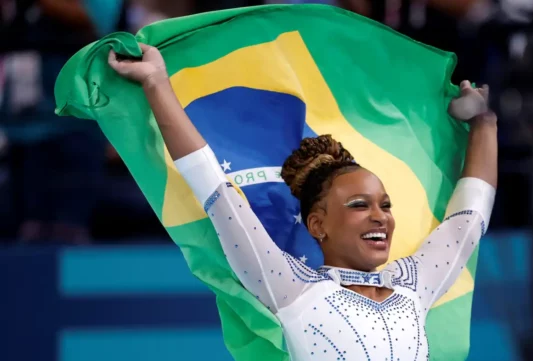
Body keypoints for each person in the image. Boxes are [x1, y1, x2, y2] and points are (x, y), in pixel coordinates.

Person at [108, 43, 497, 361]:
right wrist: (156, 83)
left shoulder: (414, 286)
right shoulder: (291, 287)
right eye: (359, 205)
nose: (380, 217)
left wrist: (484, 124)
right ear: (317, 225)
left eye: (385, 205)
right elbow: (216, 190)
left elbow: (469, 216)